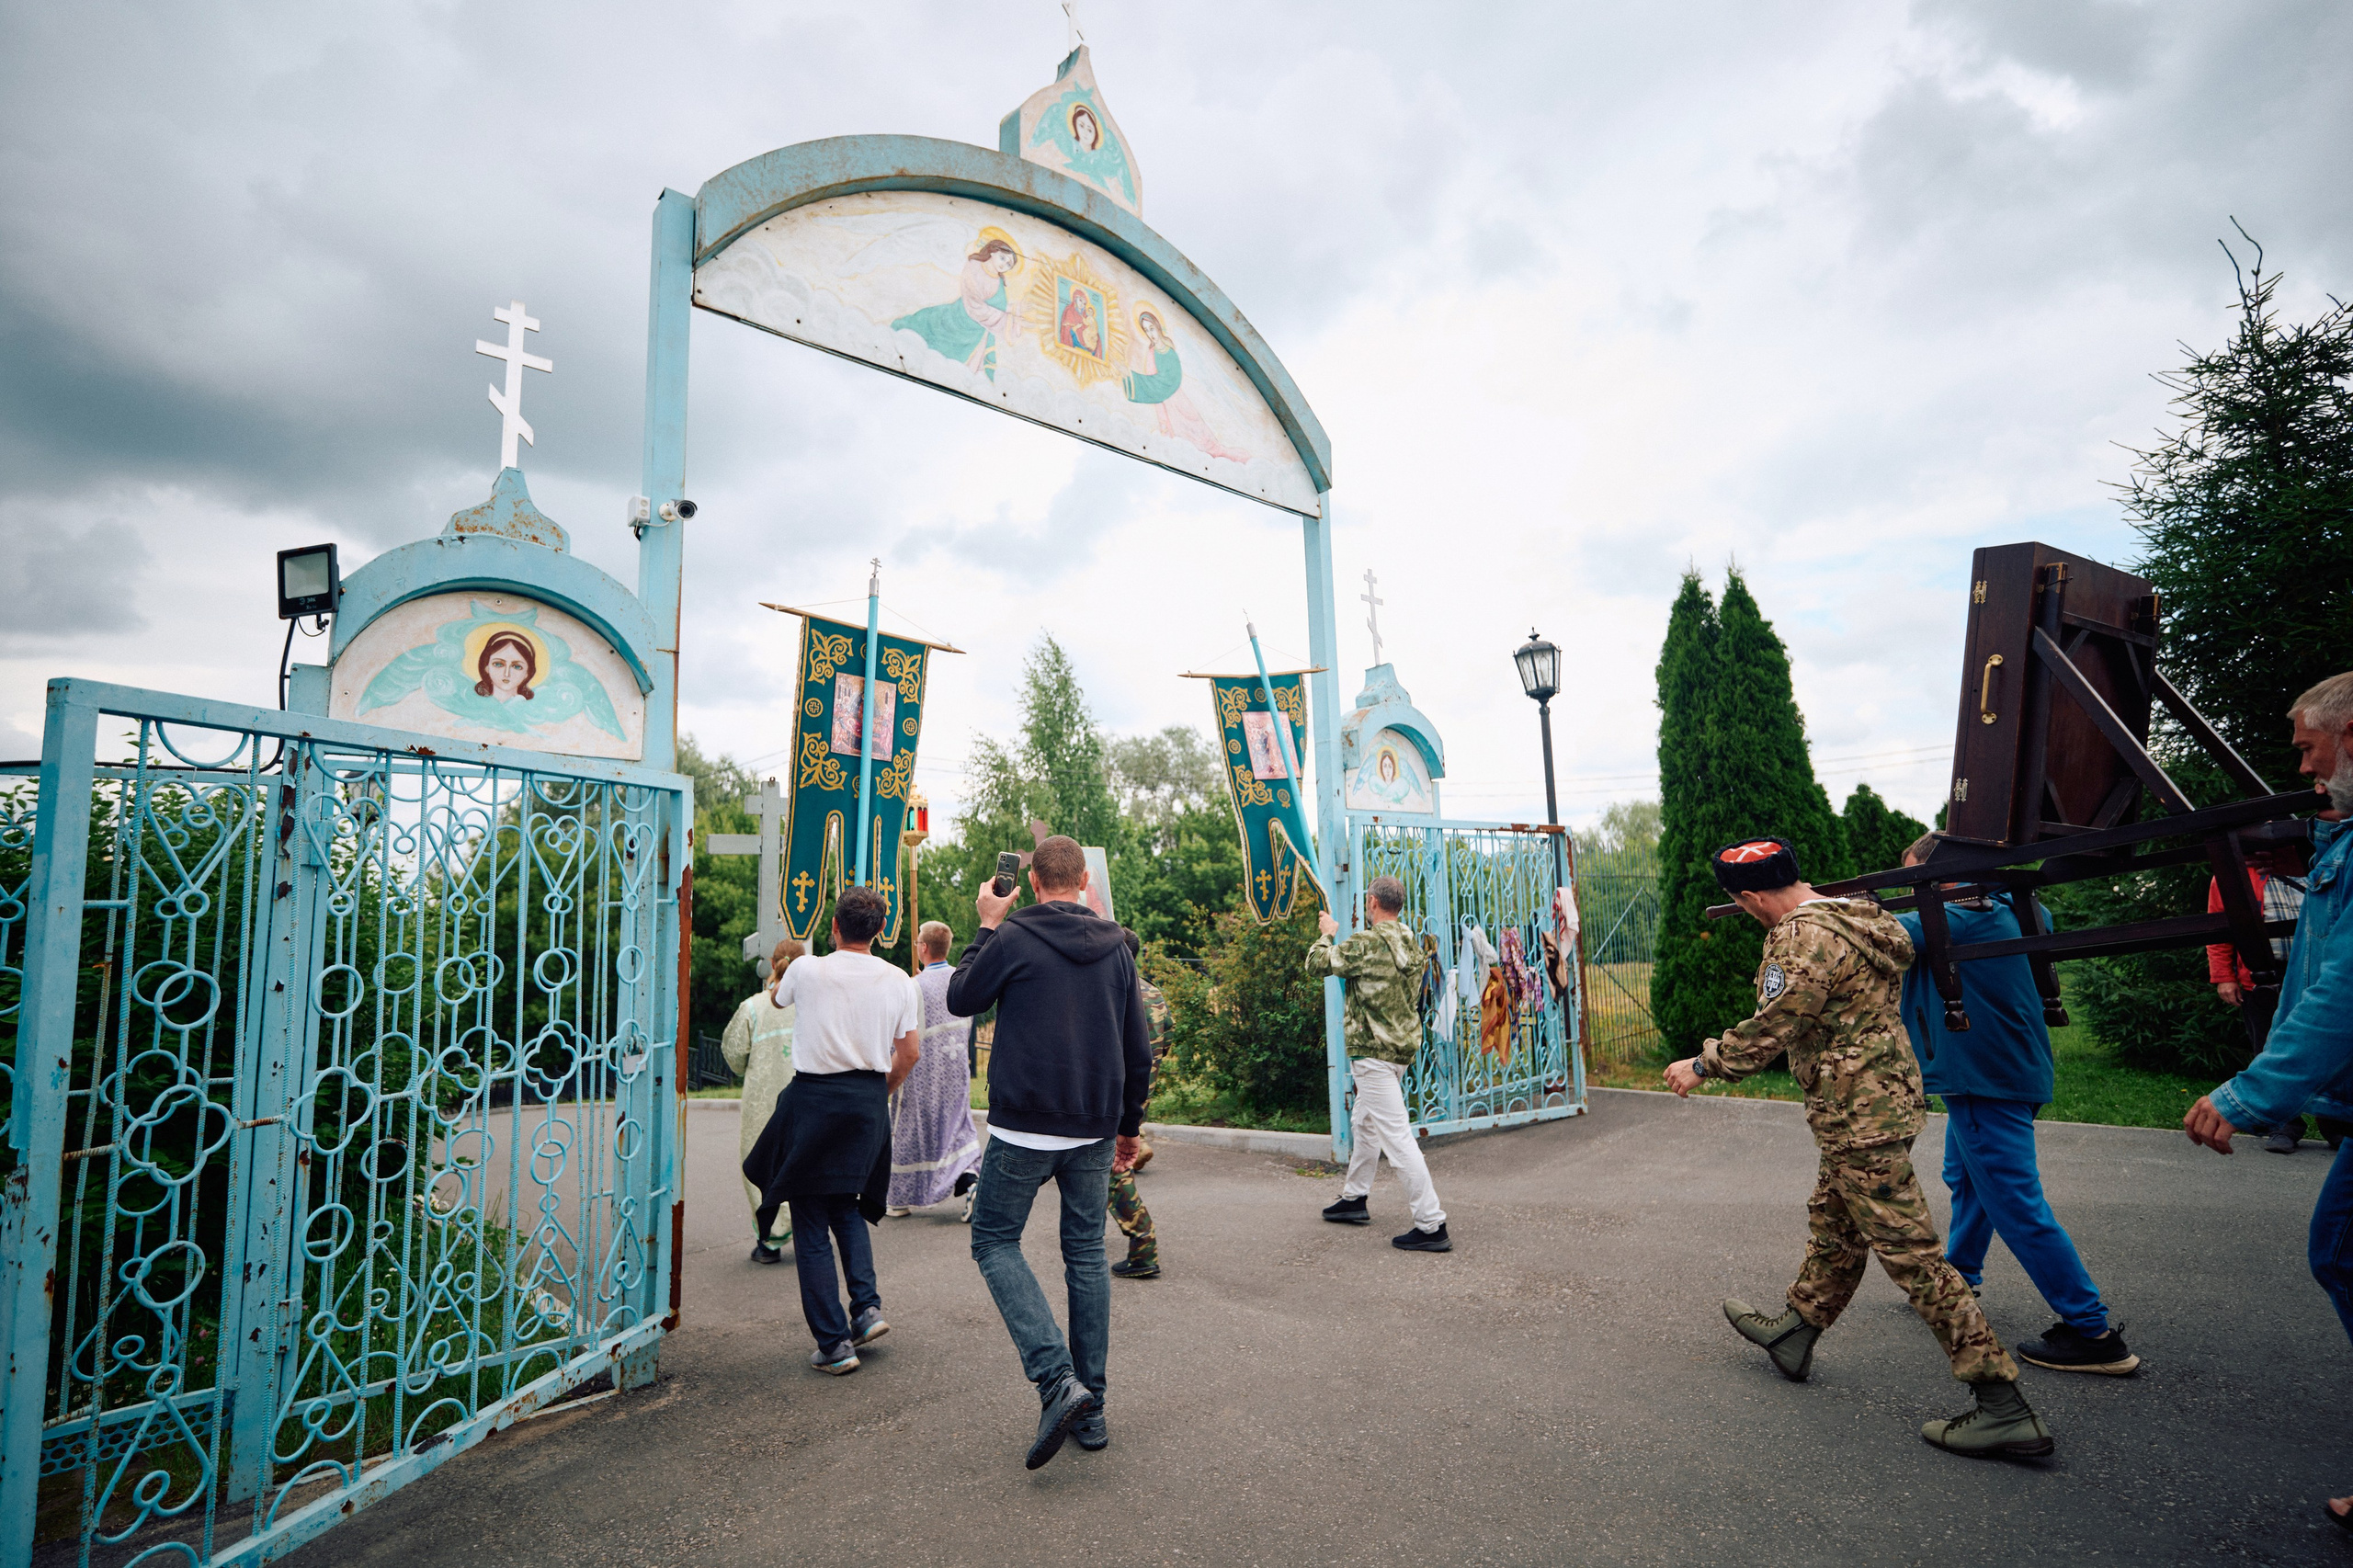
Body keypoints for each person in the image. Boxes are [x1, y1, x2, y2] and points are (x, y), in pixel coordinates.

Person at [1665, 835, 2052, 1459]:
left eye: (1745, 904)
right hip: (1882, 1099)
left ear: (1753, 896)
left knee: (1913, 1256)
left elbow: (1774, 1027)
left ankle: (2001, 1401)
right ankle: (1797, 1329)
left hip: (1856, 1113)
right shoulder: (1863, 915)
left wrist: (1701, 1064)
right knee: (1835, 1220)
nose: (1750, 913)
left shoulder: (1799, 936)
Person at [2180, 672, 2353, 1532]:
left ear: (2352, 736)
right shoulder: (2342, 840)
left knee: (2343, 1252)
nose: (2302, 762)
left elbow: (2344, 990)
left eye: (2308, 745)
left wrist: (2251, 1095)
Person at [1893, 835, 2135, 1375]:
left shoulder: (1955, 919)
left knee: (2016, 1203)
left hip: (1984, 1079)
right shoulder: (2022, 909)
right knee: (1970, 1179)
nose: (1911, 893)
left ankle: (2090, 1330)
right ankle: (1961, 1276)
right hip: (2008, 1070)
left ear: (1948, 879)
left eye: (1915, 880)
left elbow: (1877, 937)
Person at [947, 835, 1153, 1470]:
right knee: (1086, 1253)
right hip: (1092, 1125)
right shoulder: (1118, 948)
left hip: (1024, 1126)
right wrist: (1129, 1125)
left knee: (993, 1240)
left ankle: (1055, 1379)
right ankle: (1090, 1408)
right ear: (1084, 880)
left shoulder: (1013, 937)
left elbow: (961, 998)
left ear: (1032, 882)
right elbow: (1135, 1046)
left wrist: (985, 924)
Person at [742, 887, 920, 1377]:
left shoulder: (806, 968)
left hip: (815, 1100)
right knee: (848, 1205)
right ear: (879, 932)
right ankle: (866, 1311)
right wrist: (876, 1092)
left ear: (835, 928)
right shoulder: (900, 980)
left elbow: (776, 1001)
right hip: (866, 1103)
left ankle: (834, 1343)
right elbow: (909, 1054)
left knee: (809, 1216)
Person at [1309, 875, 1450, 1253]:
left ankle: (1431, 1223)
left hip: (1372, 1053)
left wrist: (1328, 932)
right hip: (1399, 1050)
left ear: (1372, 901)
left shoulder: (1366, 944)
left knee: (1397, 1137)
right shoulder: (1411, 941)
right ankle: (1354, 1199)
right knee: (1365, 1122)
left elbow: (1316, 963)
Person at [2208, 860, 2312, 1153]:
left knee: (2325, 1047)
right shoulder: (2229, 878)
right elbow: (2219, 930)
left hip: (2313, 973)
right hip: (2261, 978)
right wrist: (2224, 977)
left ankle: (2338, 1126)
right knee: (2269, 1051)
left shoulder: (2311, 866)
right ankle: (2283, 1125)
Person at [885, 921, 983, 1220]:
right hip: (956, 1073)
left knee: (910, 1132)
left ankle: (900, 1199)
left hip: (921, 1077)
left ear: (924, 948)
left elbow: (901, 1036)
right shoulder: (961, 978)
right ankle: (971, 1182)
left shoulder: (913, 987)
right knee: (955, 1130)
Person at [722, 938, 803, 1263]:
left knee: (762, 1163)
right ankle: (809, 1229)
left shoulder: (752, 1007)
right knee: (805, 1160)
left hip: (763, 1100)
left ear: (772, 964)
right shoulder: (815, 1003)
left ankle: (769, 1241)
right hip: (807, 1096)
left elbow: (734, 1055)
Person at [1108, 926, 1163, 1279]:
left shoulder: (1114, 992)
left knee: (1114, 1171)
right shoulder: (1154, 993)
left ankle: (1144, 1247)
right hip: (1143, 1090)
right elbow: (1167, 1035)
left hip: (1116, 1093)